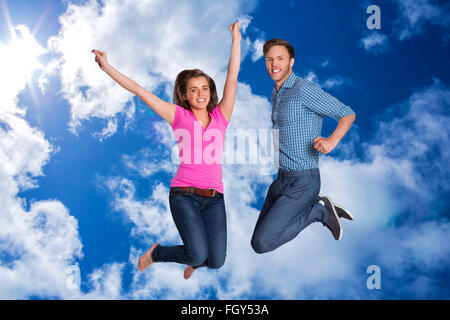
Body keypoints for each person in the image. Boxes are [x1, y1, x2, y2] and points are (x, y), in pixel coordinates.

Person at [92, 22, 241, 279]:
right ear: (184, 95)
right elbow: (140, 91)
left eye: (204, 88)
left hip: (215, 199)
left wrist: (236, 39)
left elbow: (233, 76)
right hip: (184, 195)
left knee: (216, 261)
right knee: (197, 254)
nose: (200, 93)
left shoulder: (221, 116)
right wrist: (107, 67)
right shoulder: (178, 116)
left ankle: (195, 258)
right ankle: (157, 253)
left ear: (211, 91)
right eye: (193, 90)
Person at [250, 38, 356, 254]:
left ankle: (320, 212)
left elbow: (347, 113)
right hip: (281, 180)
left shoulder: (303, 89)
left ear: (291, 62)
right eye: (269, 59)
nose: (274, 64)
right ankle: (316, 205)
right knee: (255, 242)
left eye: (280, 58)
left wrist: (332, 140)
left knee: (263, 243)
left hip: (303, 181)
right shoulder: (277, 92)